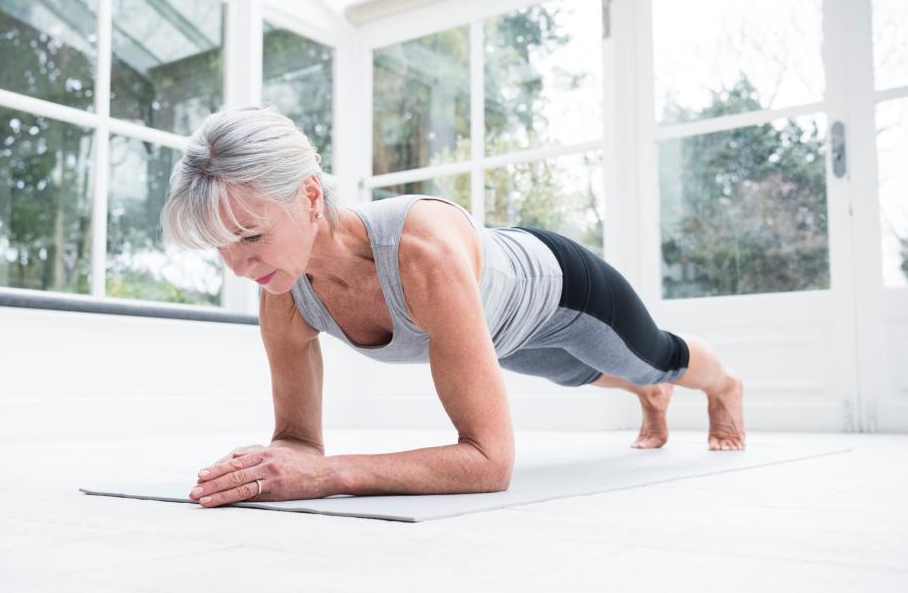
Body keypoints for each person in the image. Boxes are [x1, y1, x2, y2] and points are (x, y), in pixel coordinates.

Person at [161, 105, 746, 509]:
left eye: (252, 236)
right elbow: (297, 441)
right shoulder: (283, 293)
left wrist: (332, 474)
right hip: (499, 327)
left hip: (563, 290)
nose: (237, 267)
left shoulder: (423, 254)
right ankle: (645, 396)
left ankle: (723, 389)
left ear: (311, 196)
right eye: (222, 247)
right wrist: (274, 463)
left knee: (655, 359)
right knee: (583, 374)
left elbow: (490, 463)